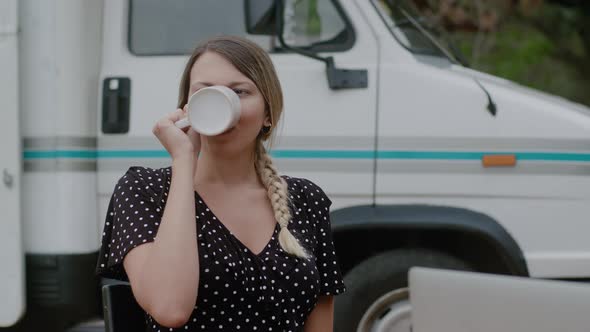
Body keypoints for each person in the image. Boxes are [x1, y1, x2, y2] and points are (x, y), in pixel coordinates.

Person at [96, 35, 346, 331]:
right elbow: (170, 308)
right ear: (187, 109)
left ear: (269, 114)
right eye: (206, 92)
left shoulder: (306, 199)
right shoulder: (144, 190)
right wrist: (184, 161)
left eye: (239, 92)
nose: (221, 103)